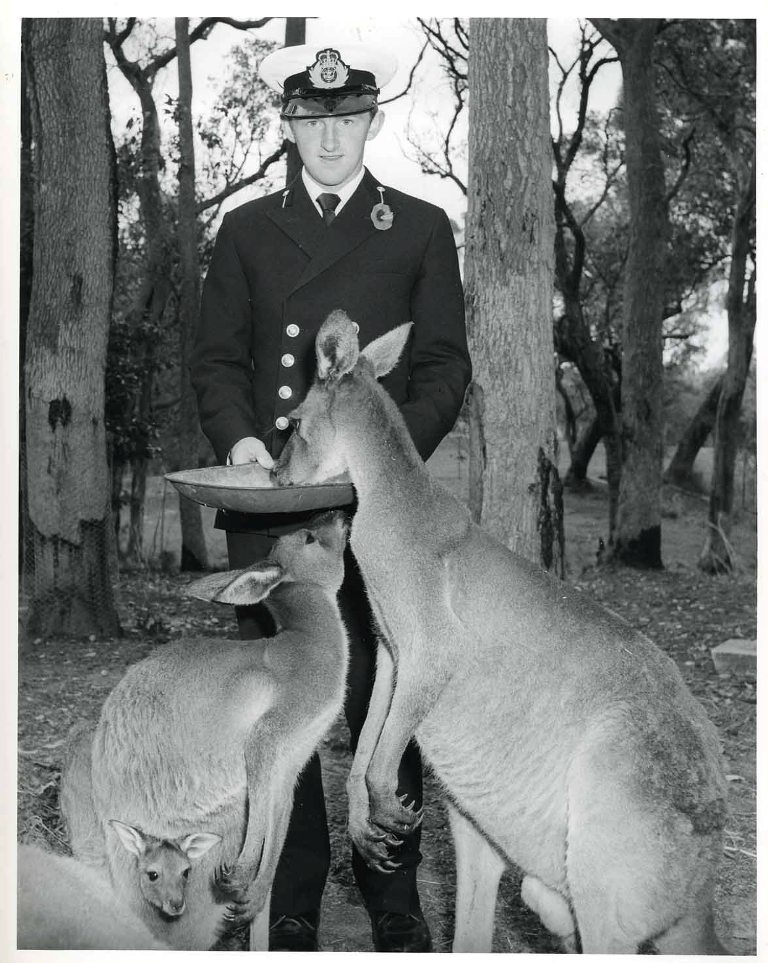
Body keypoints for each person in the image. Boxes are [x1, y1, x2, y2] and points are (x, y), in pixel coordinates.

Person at [190, 41, 471, 953]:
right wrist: (244, 441)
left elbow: (444, 367)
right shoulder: (245, 229)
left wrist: (375, 462)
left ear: (372, 122)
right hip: (273, 505)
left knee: (390, 689)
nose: (331, 137)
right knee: (286, 701)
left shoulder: (420, 227)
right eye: (314, 121)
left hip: (377, 512)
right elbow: (216, 361)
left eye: (347, 119)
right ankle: (293, 892)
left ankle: (395, 897)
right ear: (289, 126)